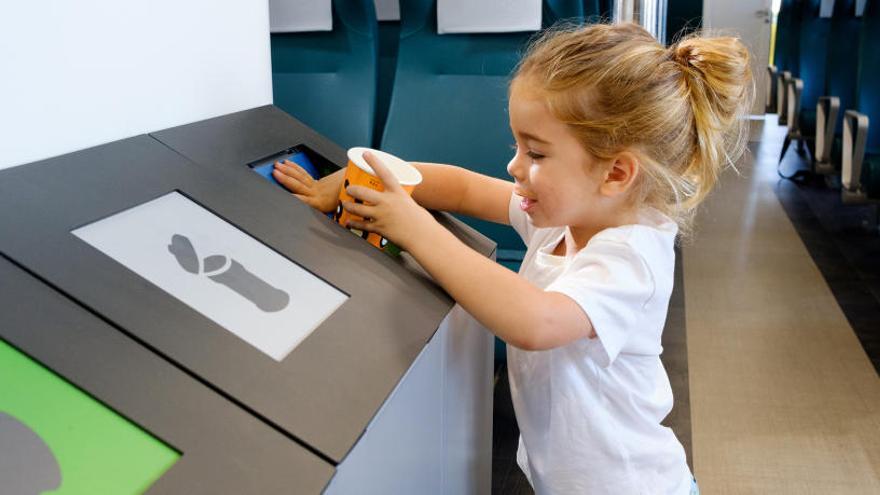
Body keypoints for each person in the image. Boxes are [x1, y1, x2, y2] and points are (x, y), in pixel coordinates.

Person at [273, 22, 752, 495]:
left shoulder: (631, 258)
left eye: (537, 154)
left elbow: (535, 322)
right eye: (517, 145)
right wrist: (376, 180)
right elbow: (462, 187)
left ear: (616, 173)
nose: (514, 166)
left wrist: (411, 228)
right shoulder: (562, 220)